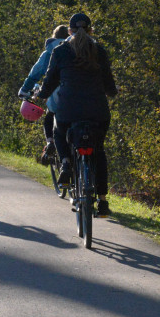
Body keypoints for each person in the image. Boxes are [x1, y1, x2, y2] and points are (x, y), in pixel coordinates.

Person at [39, 13, 117, 217]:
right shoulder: (99, 51)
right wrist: (112, 92)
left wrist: (41, 94)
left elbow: (50, 81)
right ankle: (102, 201)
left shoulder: (60, 51)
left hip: (68, 109)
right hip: (97, 111)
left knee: (57, 128)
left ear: (70, 31)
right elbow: (109, 84)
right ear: (91, 31)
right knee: (98, 150)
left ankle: (65, 161)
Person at [18, 24, 69, 165]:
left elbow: (34, 74)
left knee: (50, 116)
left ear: (54, 37)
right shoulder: (79, 48)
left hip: (57, 98)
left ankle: (50, 142)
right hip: (80, 97)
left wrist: (24, 90)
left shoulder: (49, 53)